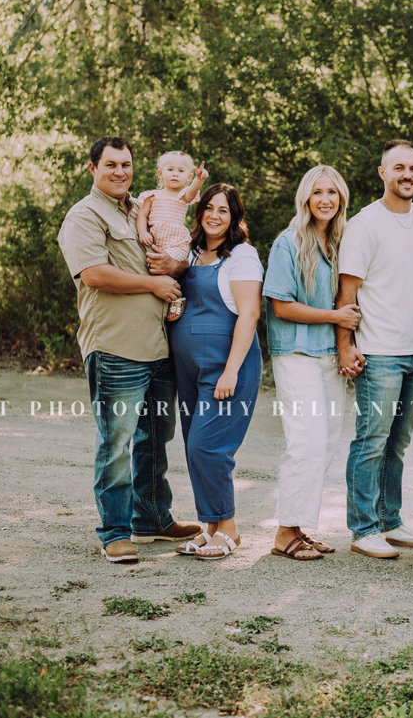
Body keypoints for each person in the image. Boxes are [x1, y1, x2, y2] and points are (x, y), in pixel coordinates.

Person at [57, 136, 201, 564]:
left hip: (158, 345)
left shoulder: (142, 208)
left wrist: (174, 270)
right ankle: (115, 533)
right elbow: (95, 274)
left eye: (127, 164)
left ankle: (153, 518)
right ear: (93, 169)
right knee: (116, 440)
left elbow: (175, 238)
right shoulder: (84, 215)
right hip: (116, 347)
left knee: (155, 436)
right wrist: (154, 284)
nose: (120, 172)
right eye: (111, 165)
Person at [338, 140, 413, 559]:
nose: (407, 175)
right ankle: (363, 527)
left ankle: (390, 520)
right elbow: (348, 292)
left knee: (398, 442)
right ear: (382, 173)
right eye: (399, 167)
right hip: (379, 351)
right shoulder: (365, 224)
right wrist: (345, 346)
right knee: (371, 440)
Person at [263, 166, 359, 561]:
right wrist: (336, 319)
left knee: (326, 441)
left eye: (332, 193)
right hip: (296, 354)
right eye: (318, 192)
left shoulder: (339, 242)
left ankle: (299, 527)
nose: (325, 199)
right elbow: (281, 306)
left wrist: (345, 344)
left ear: (341, 199)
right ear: (306, 197)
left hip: (327, 356)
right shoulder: (289, 242)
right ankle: (285, 532)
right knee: (304, 442)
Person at [170, 184, 263, 560]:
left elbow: (250, 314)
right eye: (209, 208)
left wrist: (230, 371)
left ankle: (230, 528)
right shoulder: (190, 253)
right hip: (190, 371)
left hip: (227, 369)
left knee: (208, 447)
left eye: (223, 210)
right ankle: (210, 528)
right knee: (194, 449)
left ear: (234, 217)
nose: (214, 215)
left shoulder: (242, 256)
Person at [136, 152, 208, 320]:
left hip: (177, 244)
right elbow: (142, 216)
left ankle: (176, 300)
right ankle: (163, 303)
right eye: (170, 169)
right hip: (156, 241)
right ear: (160, 173)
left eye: (181, 171)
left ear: (188, 177)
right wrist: (143, 232)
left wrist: (200, 179)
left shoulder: (183, 196)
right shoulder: (152, 196)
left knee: (168, 267)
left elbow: (192, 191)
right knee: (153, 270)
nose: (175, 173)